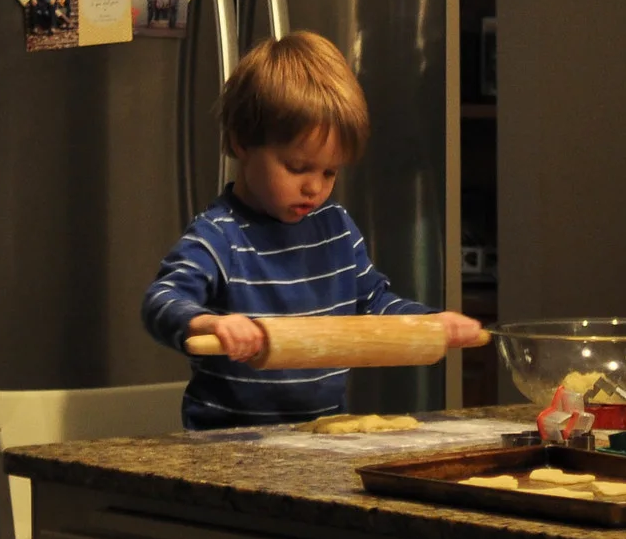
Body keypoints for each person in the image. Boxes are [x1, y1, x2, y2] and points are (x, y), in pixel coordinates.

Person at [143, 32, 479, 428]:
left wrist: (430, 323)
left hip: (322, 433)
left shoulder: (336, 229)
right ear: (242, 142)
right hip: (228, 442)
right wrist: (211, 323)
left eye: (329, 172)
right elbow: (162, 300)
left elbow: (373, 304)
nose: (314, 188)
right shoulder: (219, 236)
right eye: (297, 168)